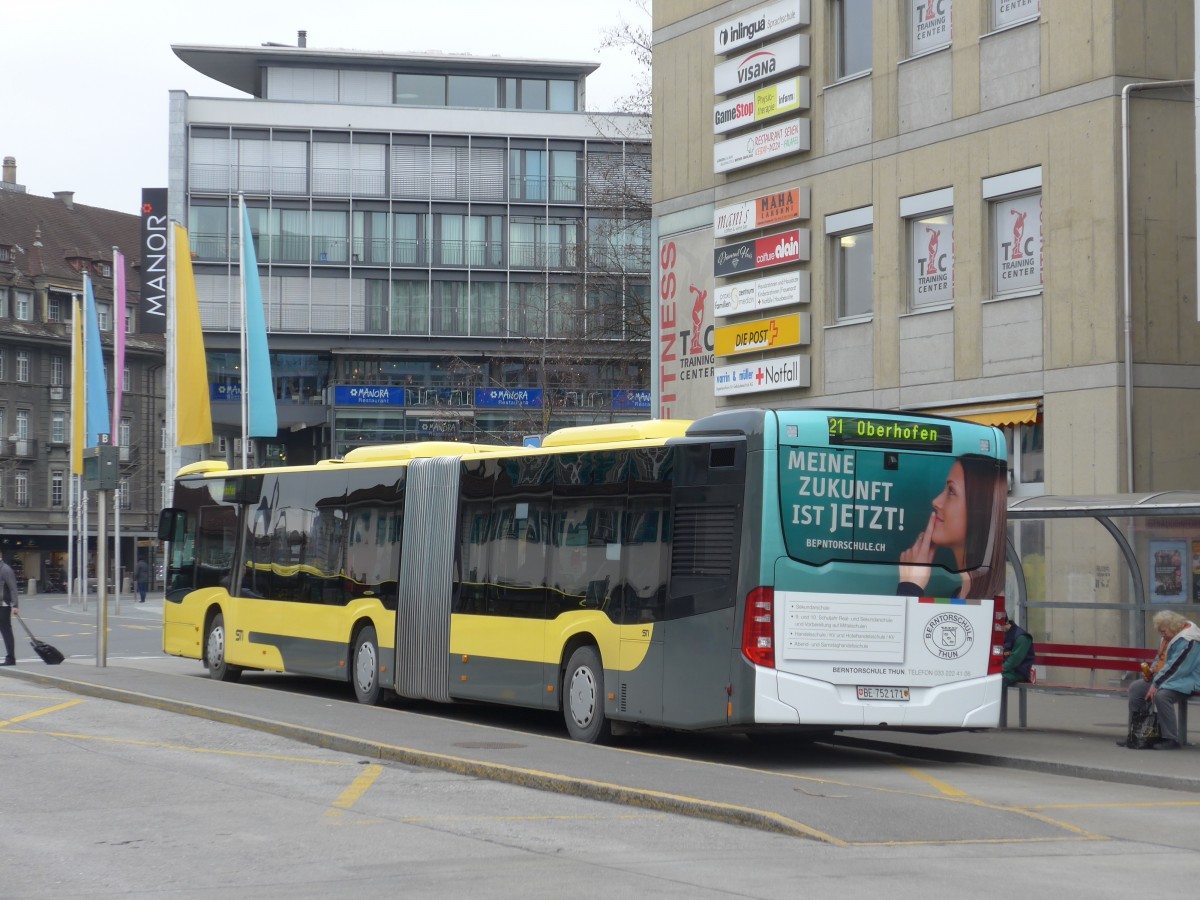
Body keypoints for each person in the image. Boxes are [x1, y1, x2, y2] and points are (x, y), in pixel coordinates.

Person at [898, 454, 1007, 600]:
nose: (936, 502)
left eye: (951, 491)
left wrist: (910, 586)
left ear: (979, 509)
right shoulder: (958, 597)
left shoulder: (988, 613)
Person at [1117, 610, 1200, 750]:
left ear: (1174, 626)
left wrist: (1156, 683)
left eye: (1163, 631)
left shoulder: (1190, 640)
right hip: (1168, 678)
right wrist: (1151, 671)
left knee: (1162, 695)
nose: (1161, 634)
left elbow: (1178, 667)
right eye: (1160, 631)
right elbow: (1160, 658)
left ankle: (1170, 739)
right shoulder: (1168, 637)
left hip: (1189, 679)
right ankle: (1137, 733)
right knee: (1136, 688)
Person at [1001, 616, 1036, 685]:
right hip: (1006, 670)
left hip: (1018, 672)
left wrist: (998, 670)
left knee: (997, 682)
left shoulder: (1022, 637)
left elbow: (1014, 660)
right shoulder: (1004, 634)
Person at [0, 550, 19, 665]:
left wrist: (15, 605)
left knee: (6, 631)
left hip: (3, 606)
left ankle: (11, 658)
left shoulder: (5, 569)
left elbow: (13, 588)